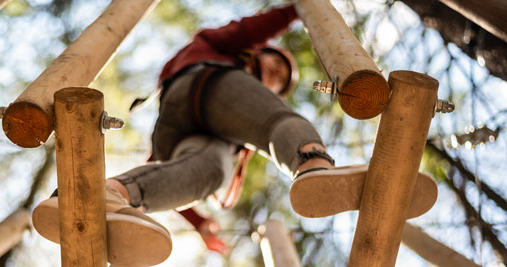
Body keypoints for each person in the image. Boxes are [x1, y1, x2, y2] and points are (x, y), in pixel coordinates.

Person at [31, 4, 435, 266]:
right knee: (277, 122)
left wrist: (197, 221)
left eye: (280, 80)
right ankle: (312, 164)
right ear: (256, 55)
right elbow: (249, 28)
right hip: (204, 86)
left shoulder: (237, 123)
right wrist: (295, 9)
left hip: (186, 131)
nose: (276, 77)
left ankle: (108, 194)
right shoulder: (225, 56)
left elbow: (165, 170)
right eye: (275, 66)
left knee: (208, 172)